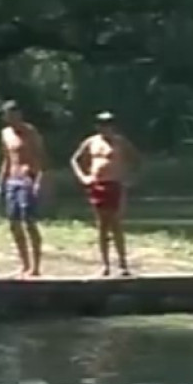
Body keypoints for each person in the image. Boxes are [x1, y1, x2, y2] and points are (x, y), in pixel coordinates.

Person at [70, 111, 141, 276]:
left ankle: (122, 264)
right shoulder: (91, 142)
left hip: (115, 185)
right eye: (102, 124)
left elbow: (137, 159)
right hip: (97, 185)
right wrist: (83, 177)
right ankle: (105, 265)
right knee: (102, 226)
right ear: (97, 126)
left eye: (108, 124)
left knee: (116, 224)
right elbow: (75, 159)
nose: (105, 128)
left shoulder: (120, 142)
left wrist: (131, 179)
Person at [0, 100, 46, 278]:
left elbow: (41, 158)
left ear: (20, 115)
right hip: (12, 181)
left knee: (29, 222)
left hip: (27, 179)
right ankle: (24, 265)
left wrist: (38, 181)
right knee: (13, 224)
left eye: (15, 115)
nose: (12, 119)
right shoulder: (5, 133)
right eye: (8, 116)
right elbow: (7, 160)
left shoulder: (31, 132)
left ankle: (36, 267)